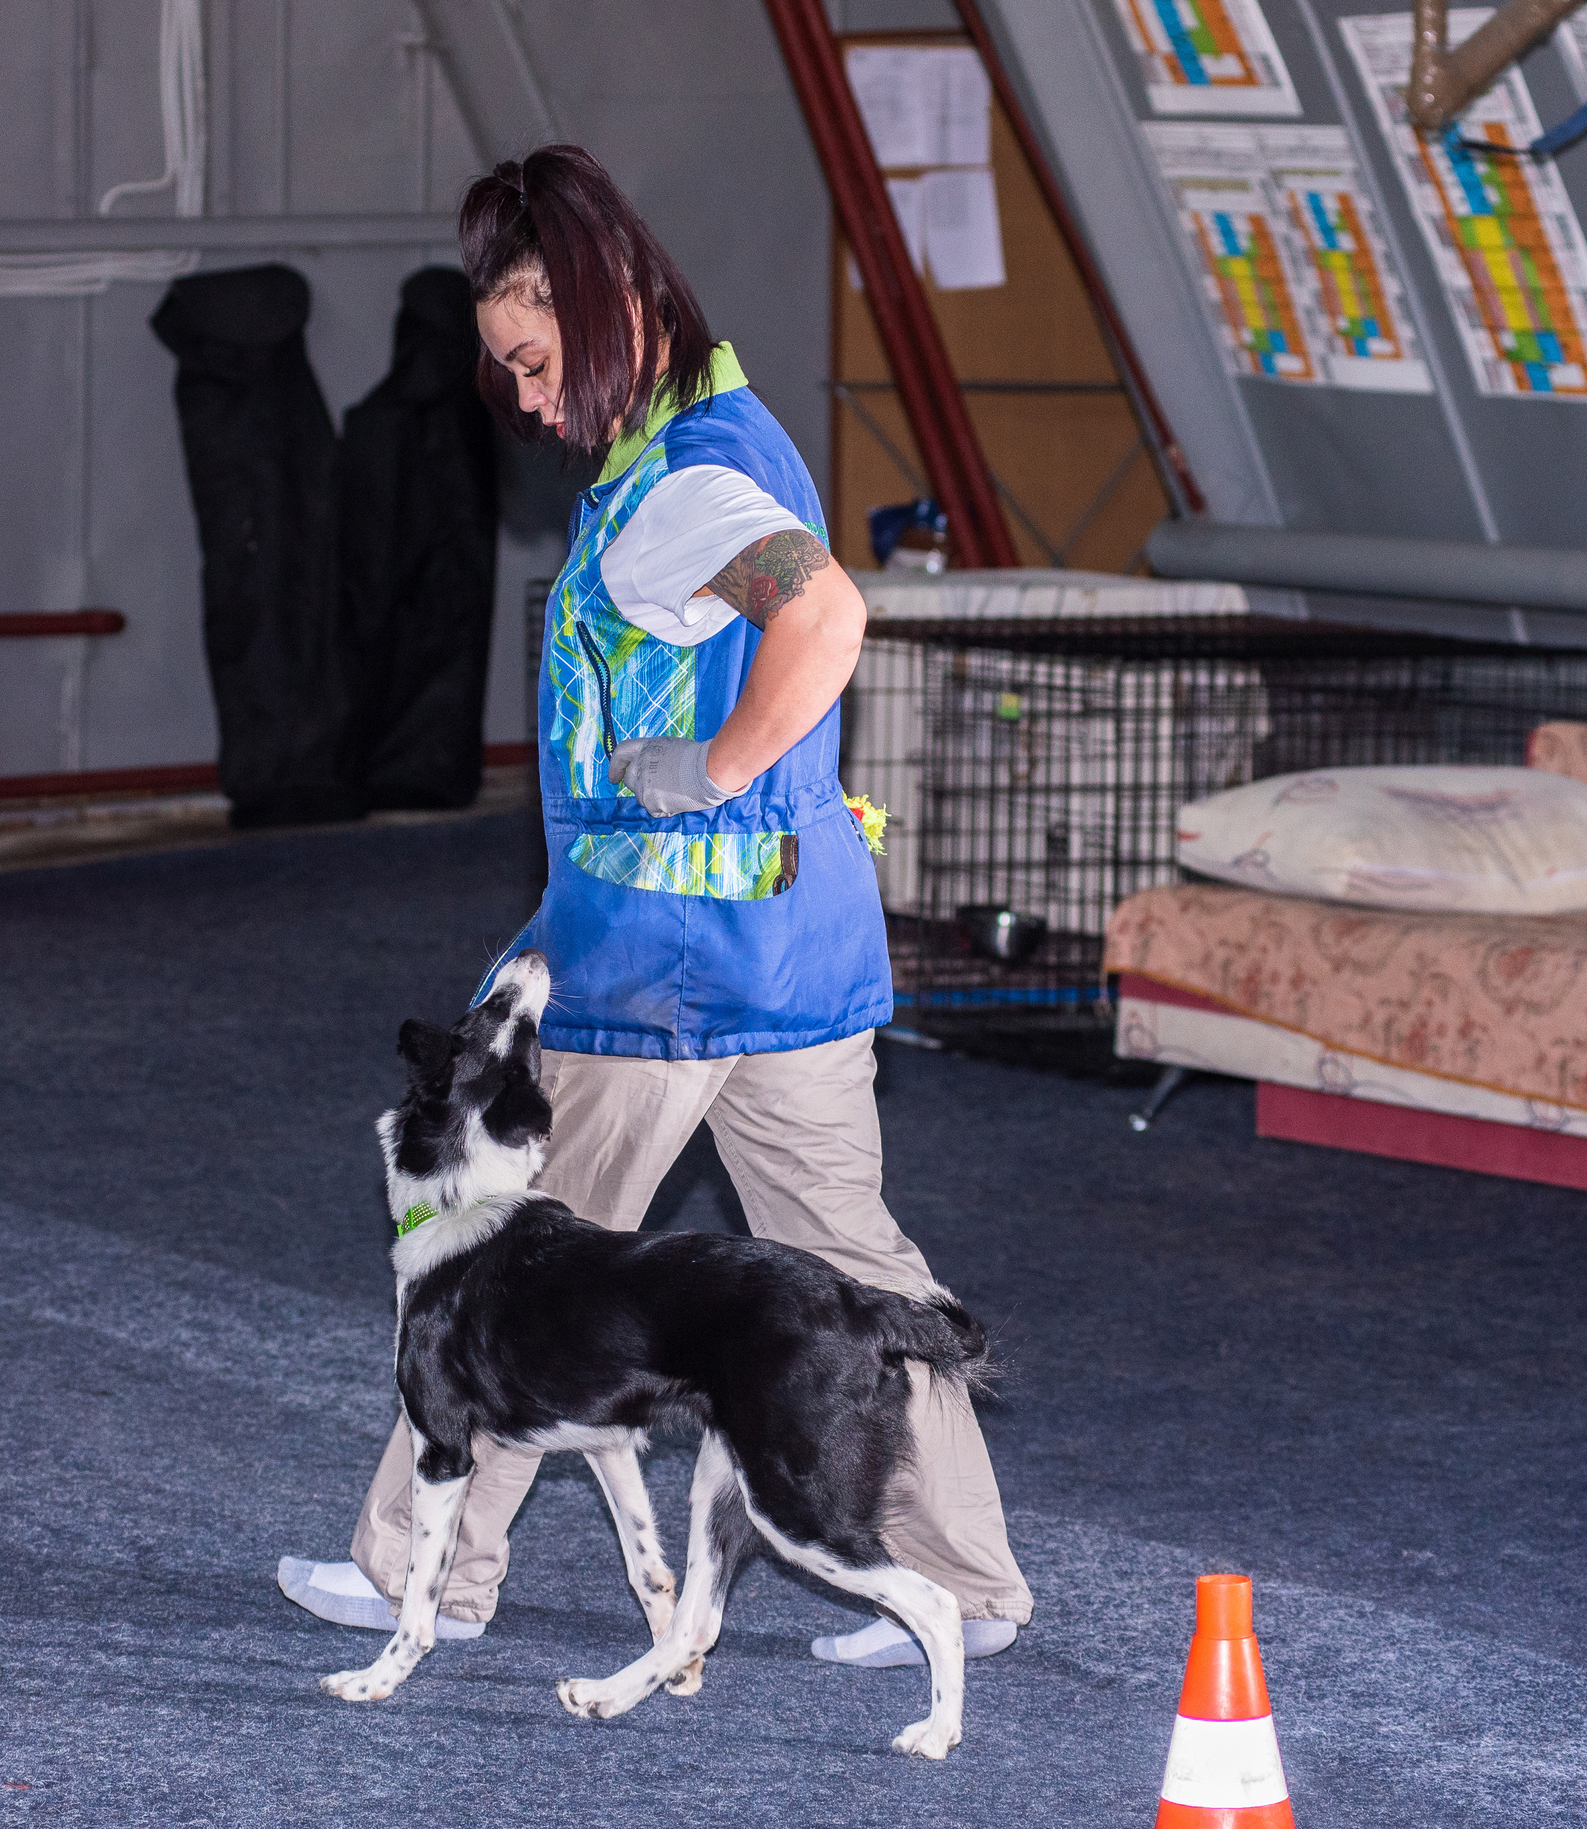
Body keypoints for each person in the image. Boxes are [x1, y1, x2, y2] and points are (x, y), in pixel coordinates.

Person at [279, 145, 1031, 1669]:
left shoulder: (684, 489)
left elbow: (825, 612)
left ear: (613, 301)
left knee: (507, 1272)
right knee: (864, 1272)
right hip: (795, 958)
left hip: (664, 979)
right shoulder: (725, 438)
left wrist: (716, 758)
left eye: (539, 364)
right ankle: (972, 1586)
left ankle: (422, 1571)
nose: (536, 403)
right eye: (514, 377)